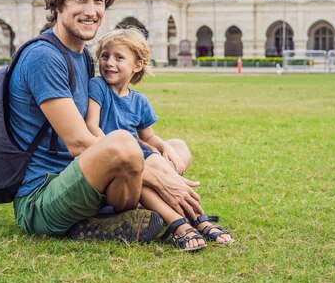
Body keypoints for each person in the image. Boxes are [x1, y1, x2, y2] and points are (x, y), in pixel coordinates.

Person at [8, 0, 202, 242]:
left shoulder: (83, 56)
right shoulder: (44, 57)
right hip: (42, 198)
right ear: (58, 4)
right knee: (126, 144)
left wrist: (156, 158)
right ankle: (119, 214)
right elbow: (79, 143)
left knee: (175, 148)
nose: (91, 10)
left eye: (98, 1)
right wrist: (154, 174)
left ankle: (105, 218)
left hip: (82, 178)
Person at [85, 28, 233, 251]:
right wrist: (109, 150)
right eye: (105, 56)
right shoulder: (98, 87)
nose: (109, 63)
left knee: (169, 153)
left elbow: (148, 136)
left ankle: (195, 218)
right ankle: (181, 223)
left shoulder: (139, 101)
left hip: (138, 153)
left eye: (119, 57)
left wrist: (165, 148)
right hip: (117, 158)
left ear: (137, 65)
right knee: (150, 167)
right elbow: (91, 125)